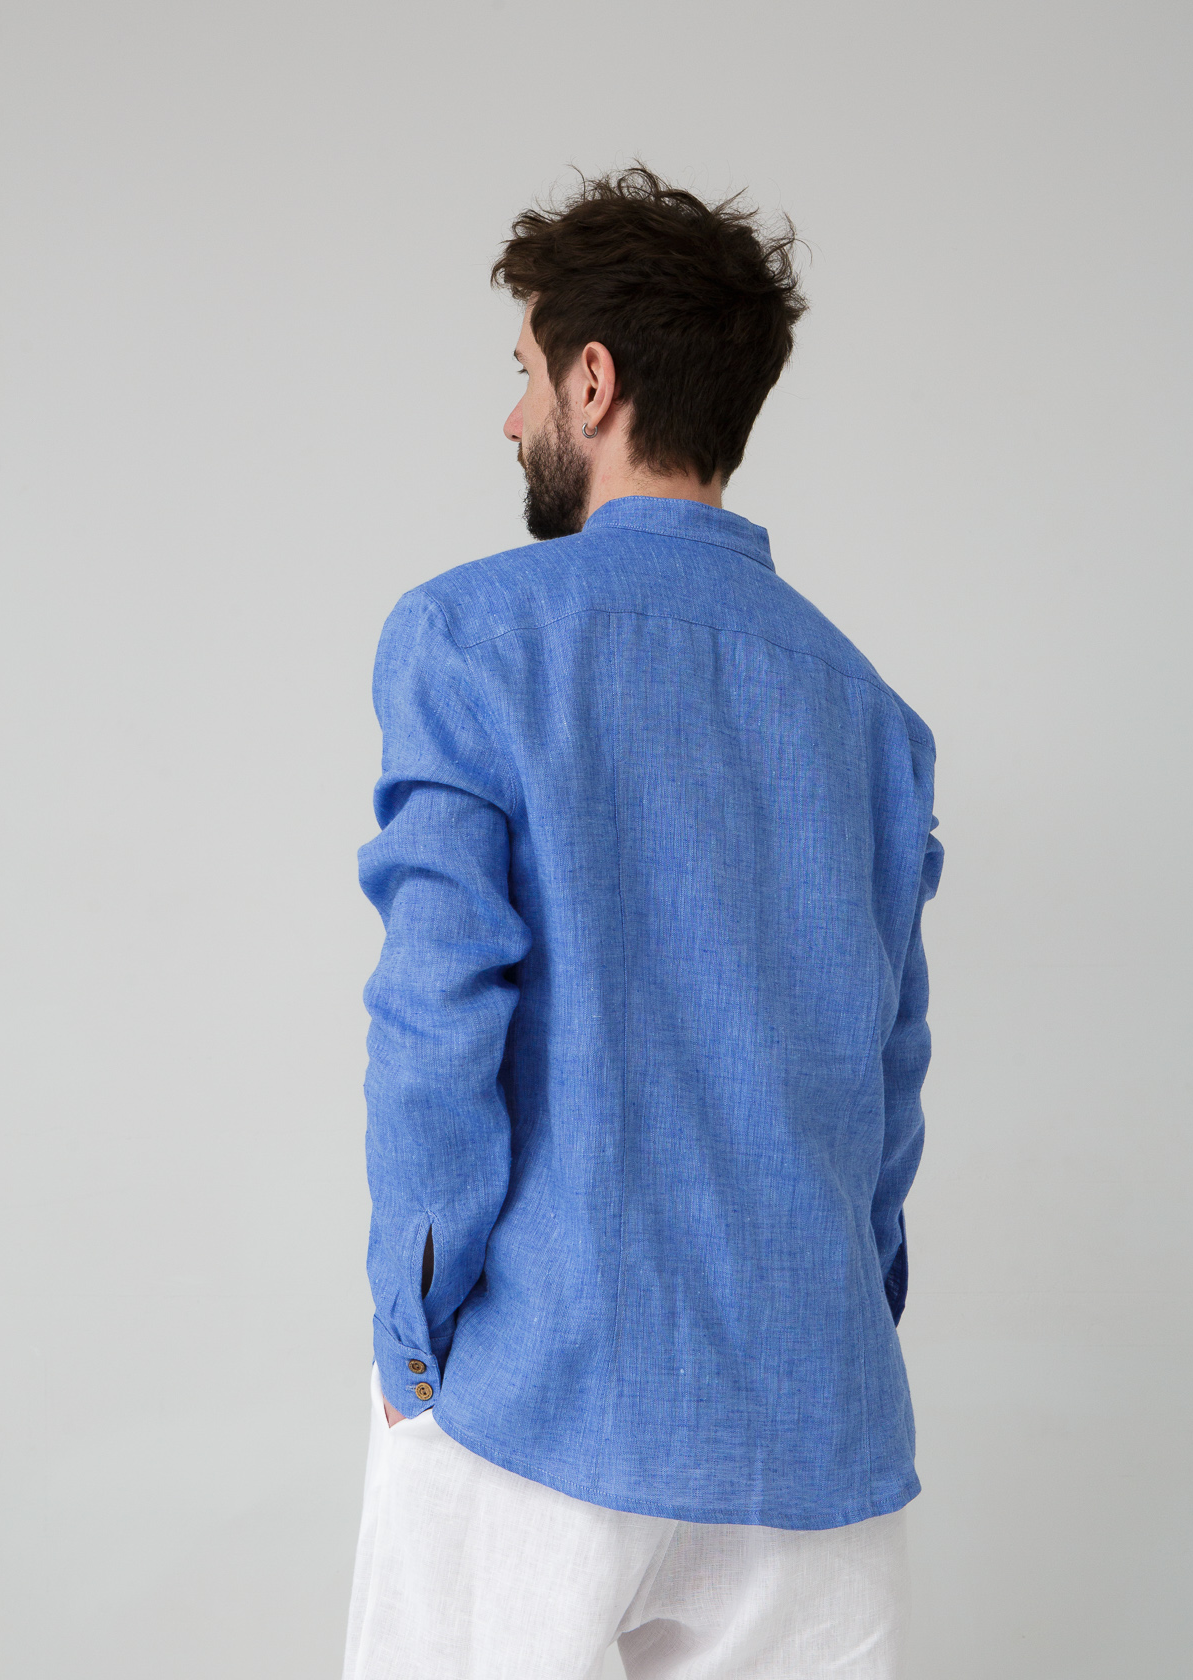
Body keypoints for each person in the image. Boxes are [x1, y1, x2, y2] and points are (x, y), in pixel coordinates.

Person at [343, 165, 943, 1680]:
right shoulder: (873, 719)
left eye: (525, 372)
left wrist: (415, 1328)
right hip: (813, 1424)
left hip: (536, 1392)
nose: (513, 418)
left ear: (593, 383)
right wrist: (845, 1313)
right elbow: (889, 1078)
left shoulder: (469, 637)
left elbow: (436, 1021)